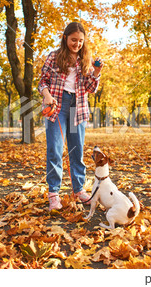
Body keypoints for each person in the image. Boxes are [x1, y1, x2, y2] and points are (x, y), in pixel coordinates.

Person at [38, 22, 103, 211]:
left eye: (81, 41)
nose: (77, 44)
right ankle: (54, 194)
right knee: (55, 151)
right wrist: (47, 95)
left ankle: (79, 190)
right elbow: (43, 81)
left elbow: (91, 88)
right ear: (65, 38)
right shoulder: (54, 57)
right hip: (57, 106)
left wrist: (97, 72)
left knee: (77, 152)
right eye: (74, 40)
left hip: (78, 107)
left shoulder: (86, 60)